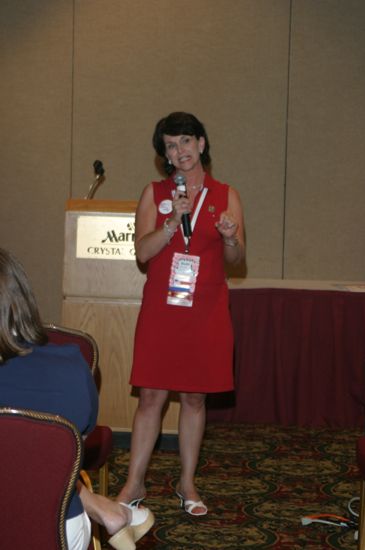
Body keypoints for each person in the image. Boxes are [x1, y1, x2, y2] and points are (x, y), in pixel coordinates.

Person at [117, 112, 245, 516]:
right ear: (165, 155)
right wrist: (172, 221)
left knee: (194, 396)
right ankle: (134, 481)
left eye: (186, 142)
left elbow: (236, 259)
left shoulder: (227, 195)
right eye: (171, 146)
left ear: (201, 144)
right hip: (162, 307)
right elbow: (142, 252)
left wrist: (229, 238)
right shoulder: (154, 193)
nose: (180, 151)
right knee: (151, 395)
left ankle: (187, 482)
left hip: (205, 308)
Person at [0, 247, 154, 550]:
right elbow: (68, 447)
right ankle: (100, 506)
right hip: (49, 529)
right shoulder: (70, 367)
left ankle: (98, 505)